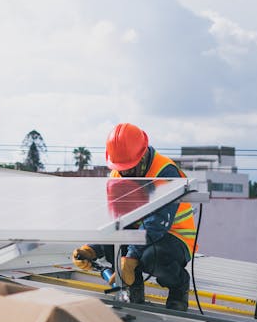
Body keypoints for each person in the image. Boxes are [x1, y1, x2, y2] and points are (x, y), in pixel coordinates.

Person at [72, 123, 197, 312]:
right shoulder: (117, 175)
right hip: (142, 235)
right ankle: (133, 290)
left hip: (175, 238)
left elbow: (157, 223)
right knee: (112, 244)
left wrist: (130, 257)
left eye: (130, 168)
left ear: (143, 154)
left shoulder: (165, 171)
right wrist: (92, 249)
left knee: (151, 257)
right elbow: (116, 222)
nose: (126, 173)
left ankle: (179, 287)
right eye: (122, 169)